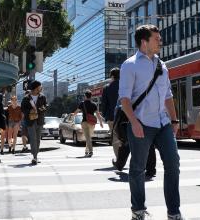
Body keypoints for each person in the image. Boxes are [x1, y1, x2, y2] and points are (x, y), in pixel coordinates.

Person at [119, 25, 183, 220]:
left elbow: (168, 96)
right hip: (141, 123)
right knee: (138, 168)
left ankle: (174, 212)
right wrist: (135, 123)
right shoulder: (129, 65)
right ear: (144, 42)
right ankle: (138, 209)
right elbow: (125, 99)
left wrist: (174, 119)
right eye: (157, 39)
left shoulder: (162, 66)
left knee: (173, 164)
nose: (160, 42)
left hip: (163, 123)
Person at [21, 81, 47, 165]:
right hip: (30, 121)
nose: (41, 88)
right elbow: (23, 109)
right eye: (40, 87)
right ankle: (34, 157)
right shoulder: (26, 98)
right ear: (36, 88)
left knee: (38, 139)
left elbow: (46, 106)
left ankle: (36, 155)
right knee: (33, 138)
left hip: (39, 120)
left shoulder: (42, 97)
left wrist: (41, 109)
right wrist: (30, 111)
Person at [73, 90, 104, 157]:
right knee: (88, 137)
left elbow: (77, 111)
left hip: (84, 122)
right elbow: (98, 114)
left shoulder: (82, 103)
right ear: (91, 96)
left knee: (87, 137)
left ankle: (90, 151)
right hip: (92, 123)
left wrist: (73, 115)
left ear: (85, 96)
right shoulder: (94, 104)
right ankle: (87, 151)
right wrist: (101, 122)